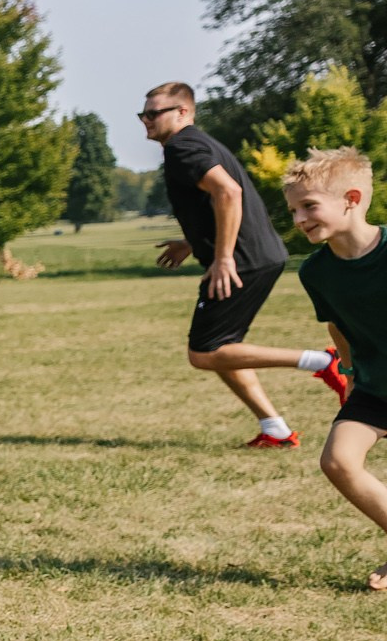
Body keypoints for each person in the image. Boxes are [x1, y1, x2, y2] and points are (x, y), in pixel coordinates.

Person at [140, 81, 345, 445]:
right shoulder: (196, 144)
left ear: (183, 112)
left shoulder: (183, 147)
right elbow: (217, 202)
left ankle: (324, 361)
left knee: (204, 353)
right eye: (143, 114)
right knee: (222, 348)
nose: (146, 120)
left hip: (240, 262)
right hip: (256, 256)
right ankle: (275, 429)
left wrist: (222, 258)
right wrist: (191, 242)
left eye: (154, 113)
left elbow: (229, 192)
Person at [284, 148, 387, 588]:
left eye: (309, 206)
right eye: (293, 210)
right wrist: (348, 375)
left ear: (351, 199)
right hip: (374, 389)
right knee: (338, 461)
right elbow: (337, 324)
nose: (299, 219)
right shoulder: (316, 272)